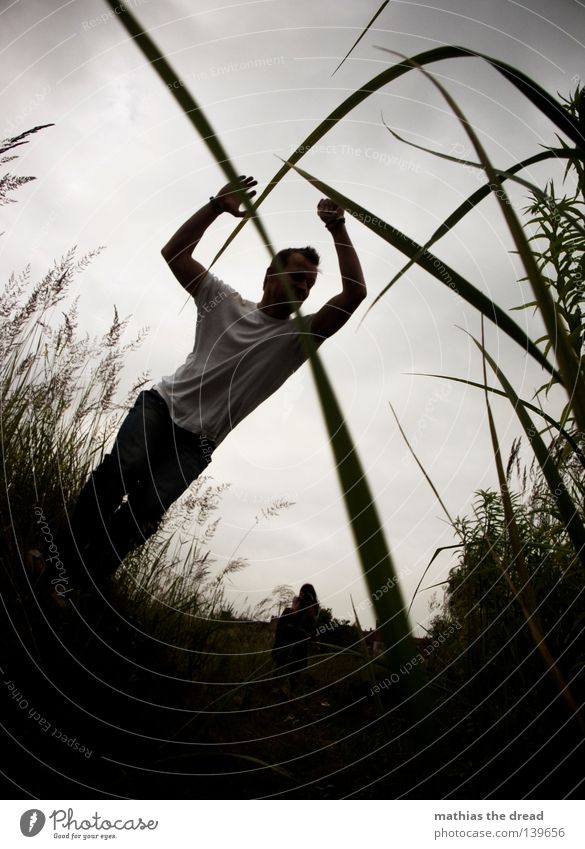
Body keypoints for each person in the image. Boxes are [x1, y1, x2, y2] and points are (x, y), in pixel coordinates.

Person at [52, 176, 366, 591]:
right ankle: (58, 558)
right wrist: (216, 206)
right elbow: (175, 253)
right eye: (297, 276)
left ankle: (84, 581)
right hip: (162, 406)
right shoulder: (223, 301)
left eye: (310, 283)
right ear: (270, 274)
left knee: (146, 509)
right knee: (120, 472)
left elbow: (354, 293)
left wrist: (337, 227)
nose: (305, 288)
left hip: (199, 442)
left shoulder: (298, 339)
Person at [272, 583, 320, 679]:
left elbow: (309, 631)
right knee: (279, 675)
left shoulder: (313, 612)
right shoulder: (289, 611)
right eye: (302, 594)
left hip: (298, 651)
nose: (304, 598)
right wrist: (294, 609)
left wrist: (310, 610)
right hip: (285, 647)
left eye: (307, 595)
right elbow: (282, 631)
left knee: (293, 676)